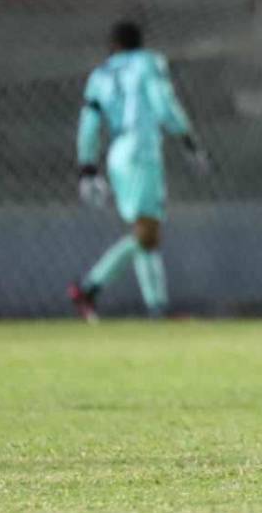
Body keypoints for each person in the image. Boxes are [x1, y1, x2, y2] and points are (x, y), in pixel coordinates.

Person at [68, 21, 206, 321]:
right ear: (139, 43)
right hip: (142, 148)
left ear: (113, 46)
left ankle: (157, 308)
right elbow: (163, 103)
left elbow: (89, 124)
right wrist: (186, 138)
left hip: (117, 152)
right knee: (147, 231)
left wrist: (87, 166)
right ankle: (90, 287)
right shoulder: (149, 63)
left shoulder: (100, 75)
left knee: (146, 233)